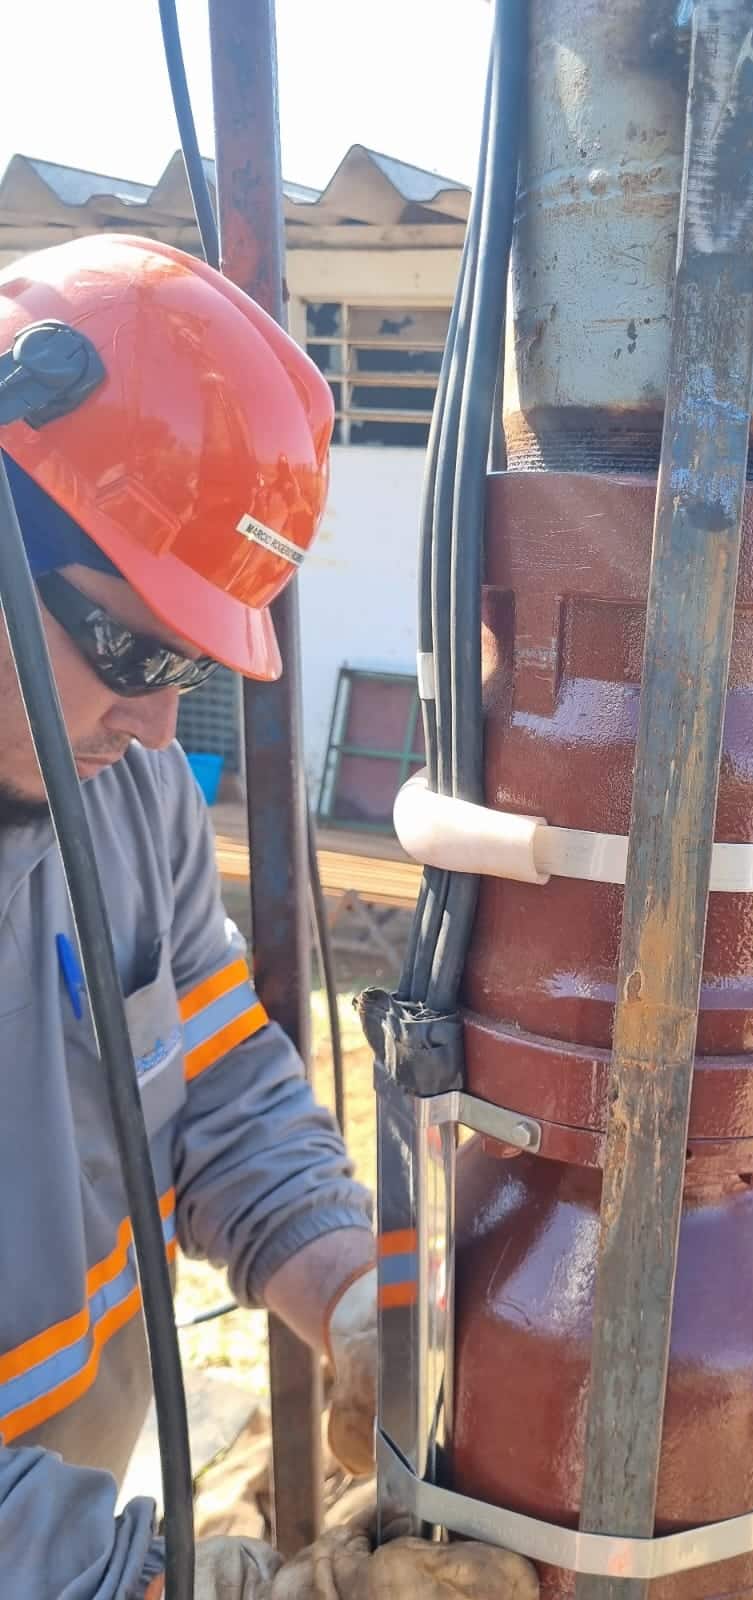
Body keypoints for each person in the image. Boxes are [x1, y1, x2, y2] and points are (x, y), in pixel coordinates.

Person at [0, 233, 382, 1597]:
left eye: (194, 661)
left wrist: (350, 1291)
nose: (163, 721)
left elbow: (212, 1080)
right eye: (135, 651)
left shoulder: (129, 793)